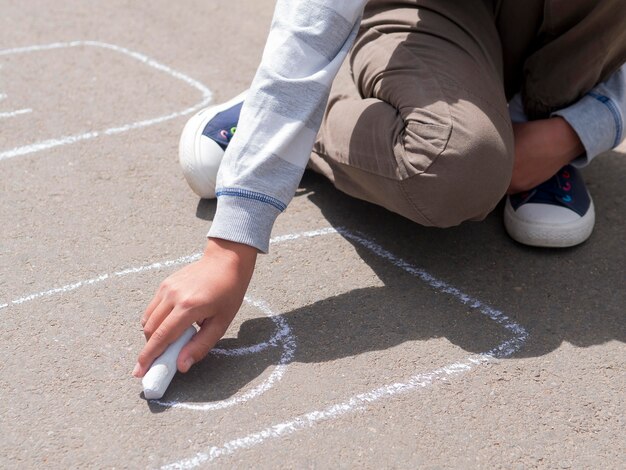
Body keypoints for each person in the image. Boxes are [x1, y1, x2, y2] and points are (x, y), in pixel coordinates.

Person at [132, 0, 626, 379]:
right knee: (458, 167)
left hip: (569, 51)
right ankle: (317, 107)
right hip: (427, 17)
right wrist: (230, 249)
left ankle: (528, 121)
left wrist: (576, 128)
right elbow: (314, 20)